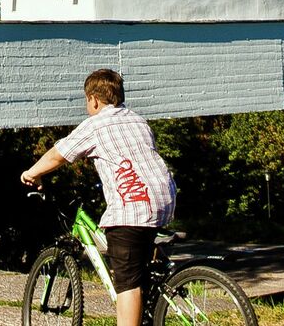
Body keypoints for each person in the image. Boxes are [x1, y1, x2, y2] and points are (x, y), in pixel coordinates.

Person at [21, 68, 177, 326]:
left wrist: (31, 173)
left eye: (86, 101)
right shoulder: (138, 120)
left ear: (93, 99)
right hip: (164, 200)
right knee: (140, 262)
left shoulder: (95, 125)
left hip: (133, 207)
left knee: (127, 283)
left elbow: (57, 155)